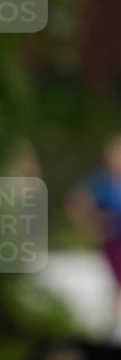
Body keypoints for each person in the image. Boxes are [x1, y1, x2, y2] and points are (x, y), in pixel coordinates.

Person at [67, 134, 121, 343]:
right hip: (114, 242)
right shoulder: (101, 181)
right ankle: (112, 329)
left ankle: (112, 327)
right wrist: (94, 224)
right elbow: (77, 203)